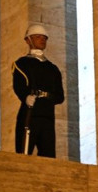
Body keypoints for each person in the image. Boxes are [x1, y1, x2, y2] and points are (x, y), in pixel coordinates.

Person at [12, 24, 65, 158]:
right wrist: (26, 96)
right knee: (24, 154)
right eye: (37, 37)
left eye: (44, 38)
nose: (42, 39)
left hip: (47, 116)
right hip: (29, 114)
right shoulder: (21, 64)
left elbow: (60, 96)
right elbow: (19, 86)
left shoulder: (53, 68)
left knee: (48, 156)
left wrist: (47, 97)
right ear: (28, 40)